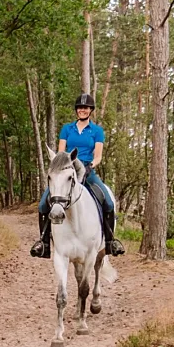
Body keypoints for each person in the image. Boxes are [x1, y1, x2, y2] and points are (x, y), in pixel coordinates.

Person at [30, 92, 125, 259]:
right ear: (76, 110)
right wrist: (63, 167)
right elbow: (61, 153)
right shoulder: (67, 129)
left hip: (87, 171)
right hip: (67, 172)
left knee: (108, 202)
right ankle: (43, 243)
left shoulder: (96, 131)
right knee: (43, 205)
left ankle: (111, 242)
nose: (82, 110)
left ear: (90, 110)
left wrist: (90, 166)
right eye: (80, 107)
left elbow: (98, 156)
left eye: (86, 107)